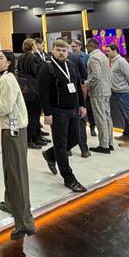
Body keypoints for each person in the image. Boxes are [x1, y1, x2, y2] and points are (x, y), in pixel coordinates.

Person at [0, 50, 36, 240]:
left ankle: (25, 223)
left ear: (9, 62)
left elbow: (6, 107)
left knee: (17, 175)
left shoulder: (7, 80)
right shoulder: (6, 78)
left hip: (13, 130)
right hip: (11, 129)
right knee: (10, 171)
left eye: (1, 58)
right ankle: (10, 203)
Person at [36, 39, 88, 193]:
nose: (61, 53)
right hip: (57, 111)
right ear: (52, 50)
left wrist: (82, 104)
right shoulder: (47, 67)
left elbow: (77, 85)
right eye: (58, 50)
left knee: (75, 139)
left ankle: (50, 154)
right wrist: (47, 113)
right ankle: (69, 178)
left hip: (73, 109)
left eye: (64, 50)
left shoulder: (70, 65)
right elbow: (42, 92)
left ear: (67, 52)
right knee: (61, 144)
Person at [107, 44, 129, 147]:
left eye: (108, 51)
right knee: (125, 115)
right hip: (117, 92)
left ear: (115, 50)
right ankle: (126, 135)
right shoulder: (113, 61)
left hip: (124, 93)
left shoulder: (121, 61)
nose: (107, 53)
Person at [85, 38, 113, 154]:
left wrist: (86, 84)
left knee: (100, 118)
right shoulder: (103, 56)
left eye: (87, 46)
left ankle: (104, 145)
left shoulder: (93, 57)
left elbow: (95, 75)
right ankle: (109, 143)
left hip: (98, 92)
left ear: (91, 46)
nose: (86, 48)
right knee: (107, 117)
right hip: (106, 90)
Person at [17, 39, 47, 149]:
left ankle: (36, 137)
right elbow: (36, 72)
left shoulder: (20, 57)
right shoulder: (33, 57)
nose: (36, 46)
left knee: (30, 114)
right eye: (34, 44)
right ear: (32, 46)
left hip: (25, 89)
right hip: (34, 89)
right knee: (34, 115)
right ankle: (30, 139)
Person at [67, 41, 90, 158]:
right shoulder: (76, 57)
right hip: (77, 92)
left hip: (64, 97)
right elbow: (84, 75)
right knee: (80, 120)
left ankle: (68, 149)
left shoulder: (52, 59)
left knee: (66, 122)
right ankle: (84, 149)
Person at [72, 40, 96, 137]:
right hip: (74, 86)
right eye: (72, 46)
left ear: (80, 46)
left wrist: (87, 83)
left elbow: (89, 71)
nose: (74, 48)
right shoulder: (70, 56)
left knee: (88, 107)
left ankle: (92, 127)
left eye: (75, 46)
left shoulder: (86, 57)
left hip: (85, 84)